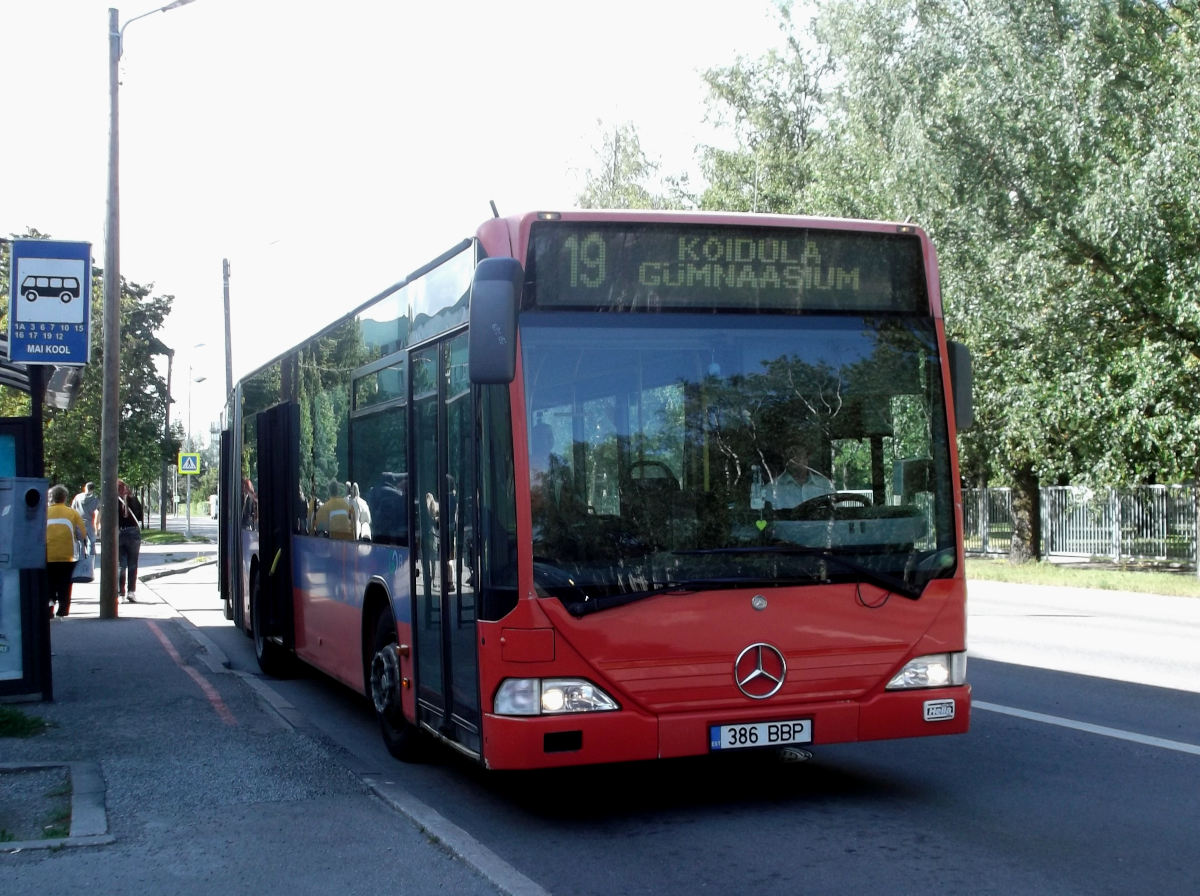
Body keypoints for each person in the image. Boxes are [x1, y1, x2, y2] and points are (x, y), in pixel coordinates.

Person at [46, 484, 87, 619]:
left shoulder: (44, 512)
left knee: (49, 582)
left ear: (50, 498)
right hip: (68, 555)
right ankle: (63, 610)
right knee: (65, 582)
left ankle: (49, 608)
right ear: (65, 498)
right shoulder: (72, 513)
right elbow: (82, 534)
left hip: (47, 555)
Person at [763, 443, 835, 509]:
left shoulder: (825, 485)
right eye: (790, 454)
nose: (794, 458)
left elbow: (836, 516)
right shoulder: (770, 490)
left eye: (798, 454)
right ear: (784, 459)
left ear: (807, 459)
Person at [116, 479, 144, 602]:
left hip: (118, 533)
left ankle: (120, 594)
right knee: (133, 564)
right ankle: (131, 592)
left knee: (121, 565)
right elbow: (140, 517)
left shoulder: (112, 500)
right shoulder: (134, 500)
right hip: (133, 533)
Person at [71, 481, 99, 556]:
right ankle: (91, 560)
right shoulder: (95, 499)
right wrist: (97, 524)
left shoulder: (77, 497)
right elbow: (98, 511)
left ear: (85, 488)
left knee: (80, 542)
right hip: (90, 522)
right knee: (92, 542)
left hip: (79, 522)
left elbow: (72, 509)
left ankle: (81, 559)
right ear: (93, 489)